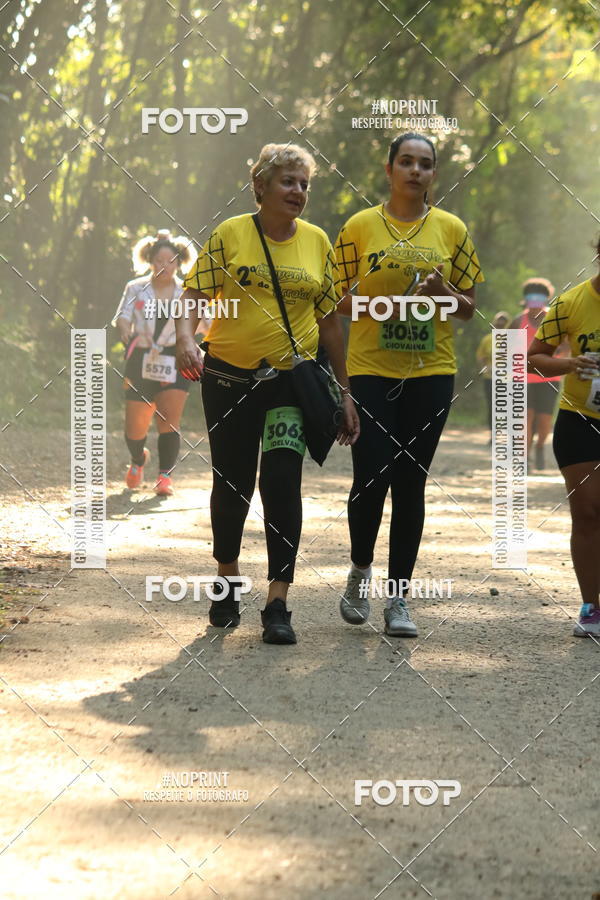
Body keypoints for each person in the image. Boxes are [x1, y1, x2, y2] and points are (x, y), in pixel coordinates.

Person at [176, 143, 360, 645]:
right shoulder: (231, 233)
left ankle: (278, 601)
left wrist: (345, 392)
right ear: (261, 185)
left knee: (281, 481)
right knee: (232, 481)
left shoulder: (318, 242)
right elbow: (194, 295)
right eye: (288, 182)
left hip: (288, 384)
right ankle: (228, 579)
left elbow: (330, 323)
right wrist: (188, 338)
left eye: (304, 184)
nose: (298, 192)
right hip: (229, 379)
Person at [334, 132, 484, 637]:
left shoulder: (452, 229)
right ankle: (360, 570)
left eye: (424, 164)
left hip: (431, 373)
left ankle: (398, 600)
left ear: (433, 174)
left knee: (411, 483)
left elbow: (467, 310)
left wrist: (443, 291)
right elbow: (335, 304)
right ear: (389, 169)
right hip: (372, 370)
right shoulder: (358, 227)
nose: (415, 171)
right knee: (371, 475)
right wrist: (382, 307)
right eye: (406, 162)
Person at [527, 243, 600, 637]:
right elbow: (534, 357)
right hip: (580, 421)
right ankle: (591, 607)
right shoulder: (572, 302)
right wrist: (571, 363)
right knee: (588, 513)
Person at [112, 231, 199, 496]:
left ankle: (164, 477)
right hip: (141, 357)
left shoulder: (188, 291)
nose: (165, 265)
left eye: (171, 260)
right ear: (150, 261)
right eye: (159, 260)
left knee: (169, 420)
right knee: (134, 429)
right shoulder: (135, 288)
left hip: (176, 357)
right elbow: (123, 316)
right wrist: (125, 330)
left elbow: (204, 325)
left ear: (179, 263)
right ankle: (138, 458)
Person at [510, 278, 561, 470]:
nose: (535, 302)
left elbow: (565, 346)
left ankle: (540, 446)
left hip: (550, 376)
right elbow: (506, 348)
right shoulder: (517, 321)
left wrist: (548, 354)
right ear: (525, 299)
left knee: (544, 419)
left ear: (546, 299)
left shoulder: (554, 319)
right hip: (522, 378)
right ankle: (525, 458)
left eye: (539, 298)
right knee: (526, 418)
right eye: (531, 297)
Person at [476, 311, 510, 443]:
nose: (500, 324)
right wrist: (485, 366)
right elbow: (480, 356)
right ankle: (493, 435)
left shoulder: (512, 339)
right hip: (490, 378)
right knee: (492, 406)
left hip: (508, 379)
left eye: (504, 322)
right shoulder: (487, 339)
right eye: (498, 322)